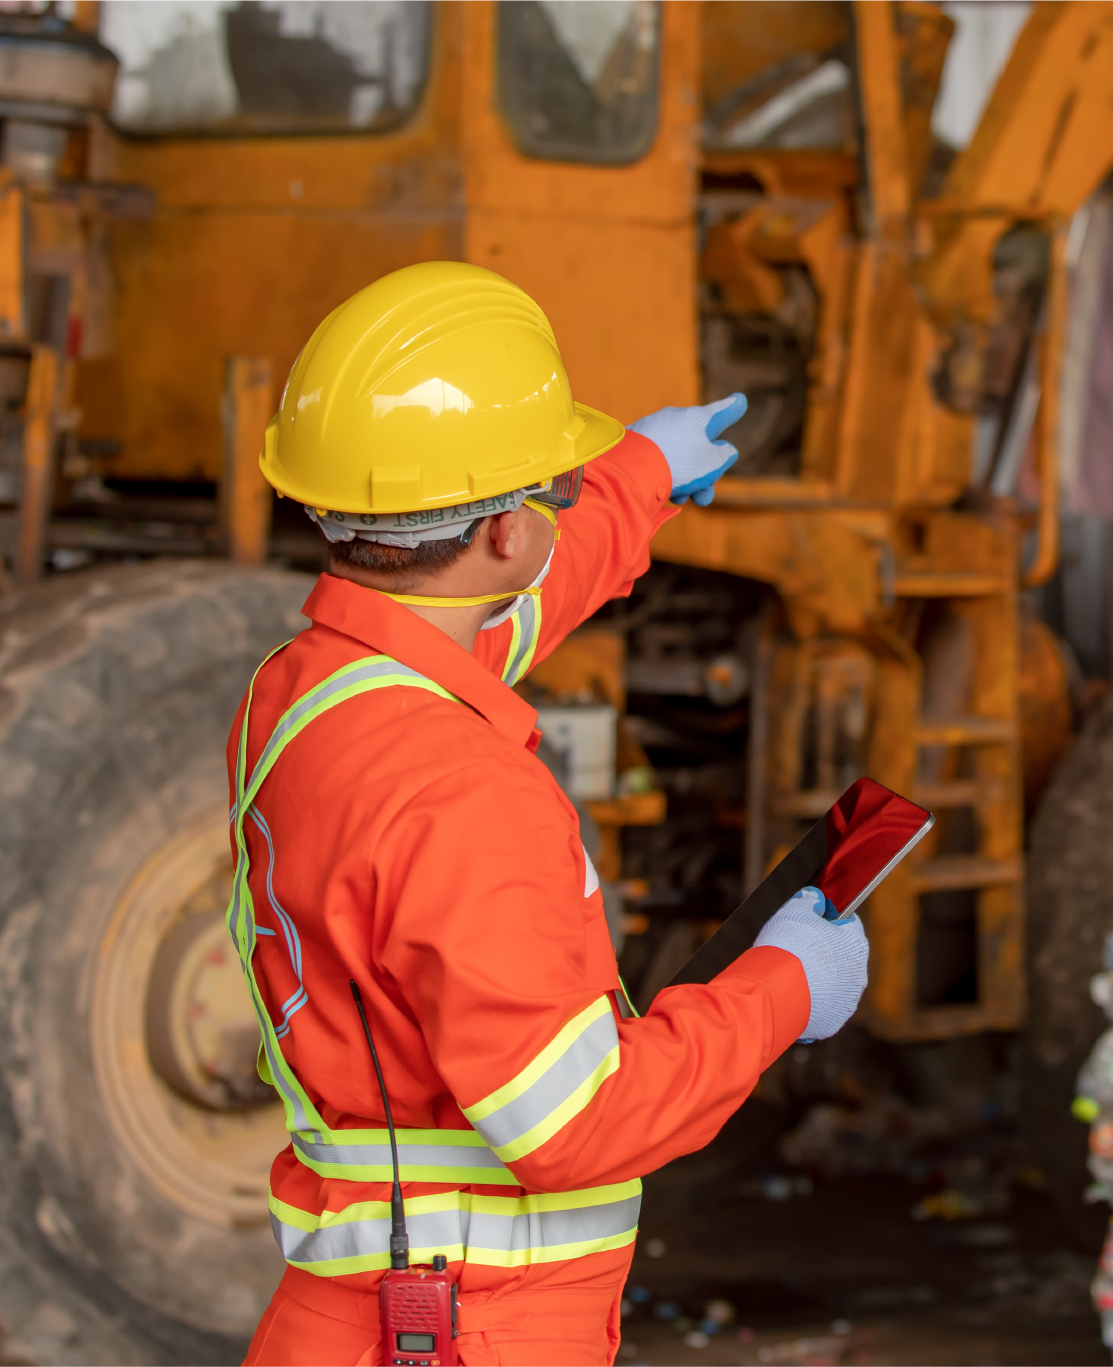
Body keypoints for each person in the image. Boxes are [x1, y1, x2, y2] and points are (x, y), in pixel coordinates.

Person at [228, 261, 870, 1366]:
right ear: (501, 536)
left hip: (345, 1316)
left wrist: (635, 479)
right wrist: (782, 990)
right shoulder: (466, 793)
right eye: (550, 488)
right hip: (471, 1328)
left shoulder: (308, 687)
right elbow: (575, 1123)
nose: (554, 505)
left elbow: (504, 609)